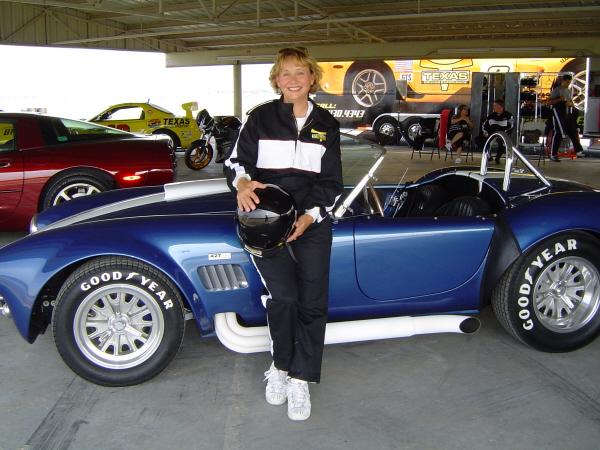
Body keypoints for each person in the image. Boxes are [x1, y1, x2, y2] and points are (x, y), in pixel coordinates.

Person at [224, 47, 343, 421]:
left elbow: (331, 182)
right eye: (285, 73)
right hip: (264, 224)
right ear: (276, 80)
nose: (293, 79)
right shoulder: (260, 117)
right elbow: (235, 162)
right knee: (285, 297)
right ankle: (279, 366)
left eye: (300, 72)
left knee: (312, 301)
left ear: (312, 78)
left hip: (311, 222)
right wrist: (242, 183)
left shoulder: (327, 124)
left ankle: (300, 378)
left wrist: (309, 217)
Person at [547, 73, 584, 161]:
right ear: (563, 81)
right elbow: (549, 102)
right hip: (558, 112)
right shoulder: (557, 90)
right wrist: (560, 100)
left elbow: (571, 102)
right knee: (559, 132)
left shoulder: (568, 91)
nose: (568, 84)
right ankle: (553, 154)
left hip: (567, 113)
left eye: (569, 82)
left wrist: (570, 104)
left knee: (572, 131)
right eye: (567, 82)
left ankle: (578, 150)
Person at [478, 99, 514, 164]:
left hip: (503, 133)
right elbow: (484, 125)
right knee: (479, 139)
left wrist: (504, 133)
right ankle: (489, 156)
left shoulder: (508, 115)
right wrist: (485, 132)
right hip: (491, 133)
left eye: (495, 106)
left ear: (500, 106)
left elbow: (511, 126)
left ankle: (498, 158)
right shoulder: (491, 115)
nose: (493, 107)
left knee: (502, 141)